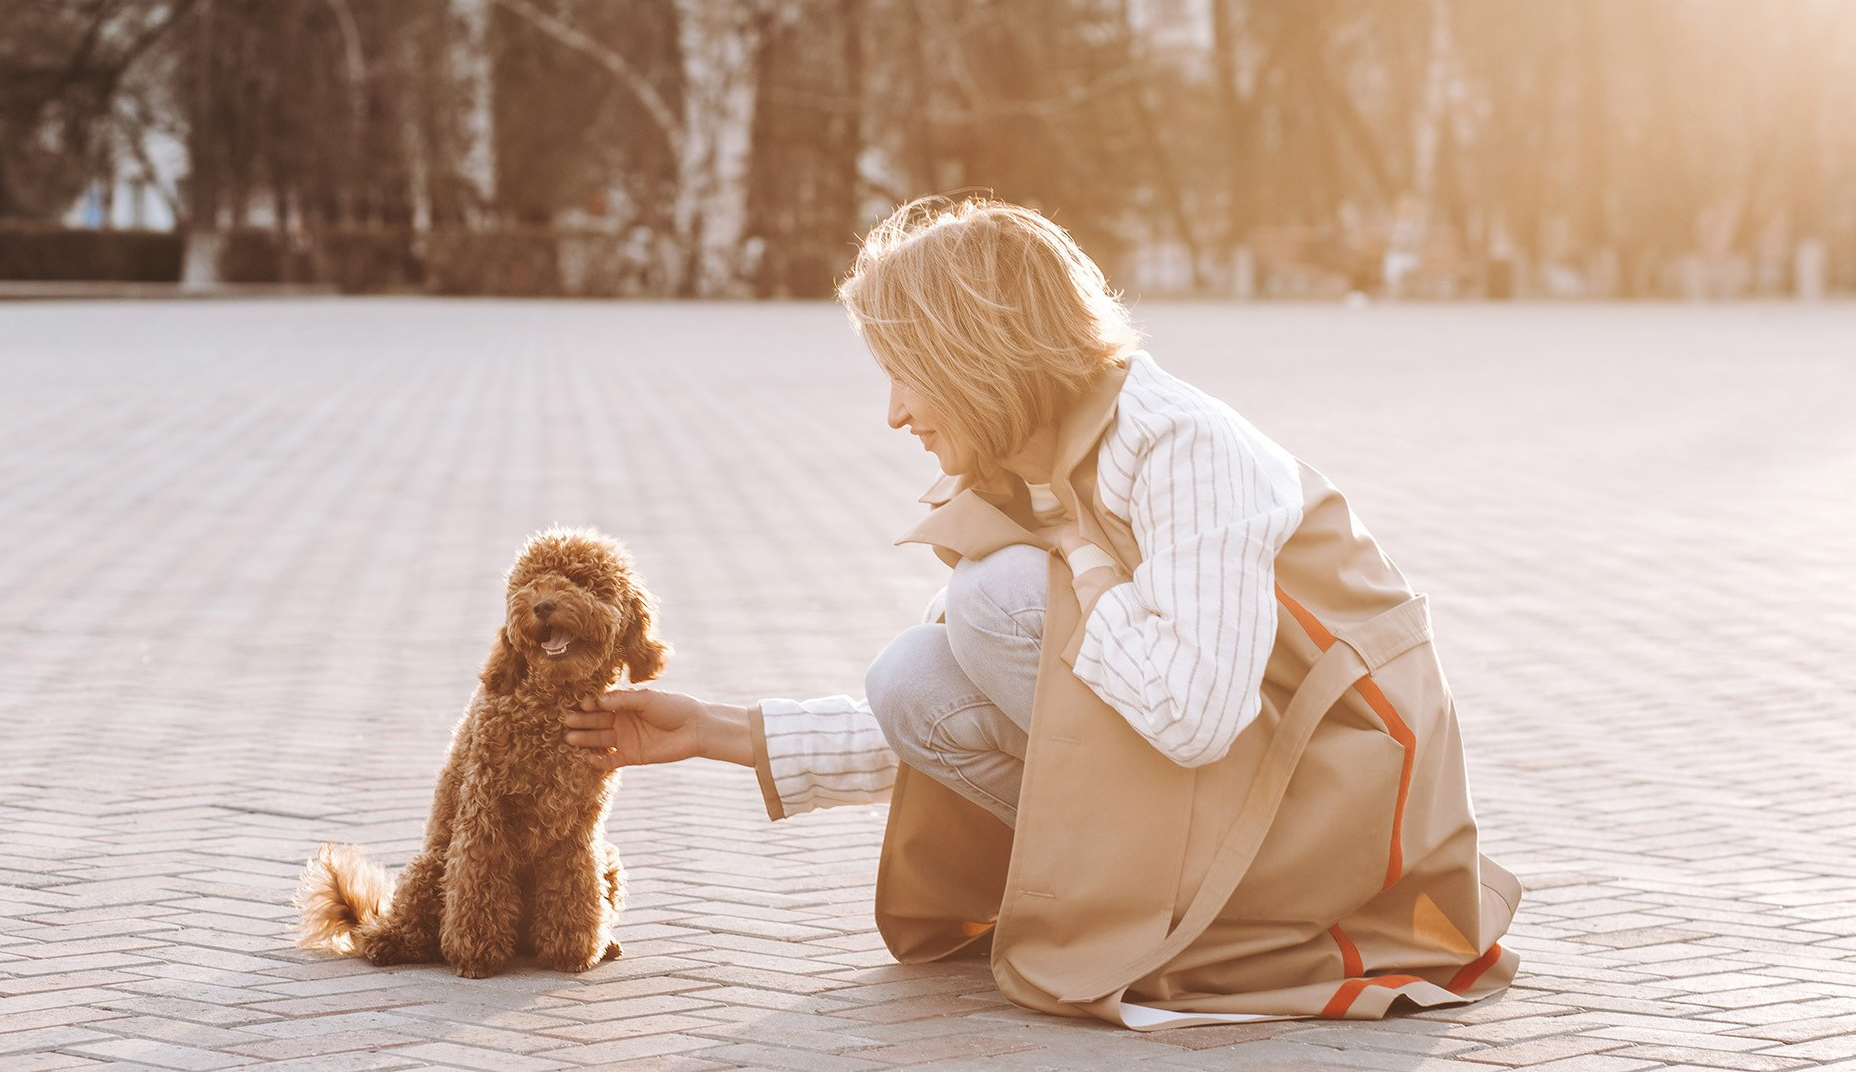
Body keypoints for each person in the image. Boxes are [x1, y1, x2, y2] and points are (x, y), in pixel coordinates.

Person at [564, 197, 1520, 1029]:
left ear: (975, 355)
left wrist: (1082, 566)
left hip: (1342, 818)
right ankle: (1161, 901)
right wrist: (718, 732)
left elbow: (1193, 716)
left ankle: (1204, 913)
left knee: (994, 599)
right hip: (1251, 781)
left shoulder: (1185, 446)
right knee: (914, 670)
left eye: (905, 370)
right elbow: (962, 709)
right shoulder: (1043, 461)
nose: (894, 413)